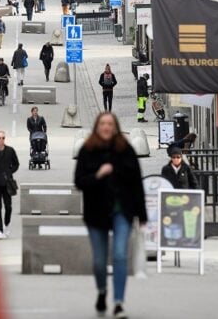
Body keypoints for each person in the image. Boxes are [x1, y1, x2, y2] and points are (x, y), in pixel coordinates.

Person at [75, 112, 146, 319]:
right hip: (96, 212)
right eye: (103, 123)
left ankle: (118, 302)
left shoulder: (126, 150)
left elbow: (137, 184)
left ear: (115, 127)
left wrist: (142, 215)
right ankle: (102, 290)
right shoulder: (88, 150)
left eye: (110, 124)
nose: (106, 127)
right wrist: (98, 175)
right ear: (98, 127)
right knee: (99, 261)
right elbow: (79, 181)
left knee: (120, 255)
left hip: (121, 211)